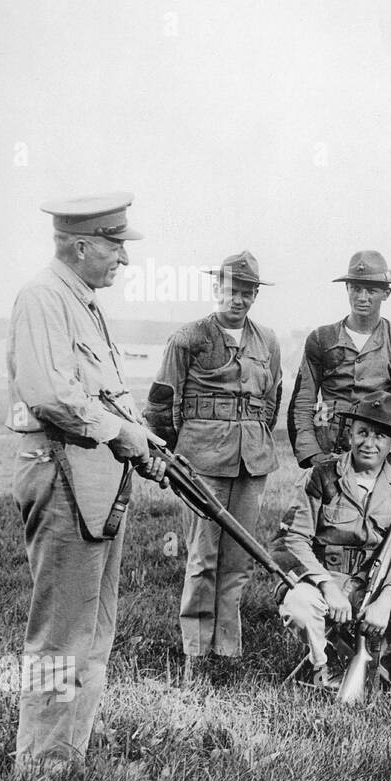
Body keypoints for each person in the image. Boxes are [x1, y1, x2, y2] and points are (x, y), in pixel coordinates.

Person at [6, 192, 166, 771]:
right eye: (115, 245)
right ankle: (43, 768)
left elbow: (100, 392)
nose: (123, 259)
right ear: (81, 245)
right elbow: (50, 395)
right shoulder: (44, 298)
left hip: (93, 479)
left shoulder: (82, 302)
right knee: (61, 632)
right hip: (61, 471)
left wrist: (139, 432)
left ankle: (66, 756)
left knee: (94, 627)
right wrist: (119, 433)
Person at [145, 251, 283, 679]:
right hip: (201, 460)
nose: (237, 300)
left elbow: (271, 402)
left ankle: (227, 650)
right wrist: (169, 459)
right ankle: (195, 653)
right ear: (215, 288)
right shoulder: (189, 338)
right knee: (202, 557)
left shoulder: (269, 342)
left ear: (256, 294)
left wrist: (252, 436)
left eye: (246, 292)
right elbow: (161, 403)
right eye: (230, 290)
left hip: (251, 463)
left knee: (239, 559)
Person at [274, 393, 391, 688]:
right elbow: (290, 541)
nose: (368, 443)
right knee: (297, 604)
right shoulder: (321, 476)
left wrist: (386, 598)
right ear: (350, 433)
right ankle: (325, 665)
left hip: (378, 589)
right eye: (362, 432)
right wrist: (326, 585)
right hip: (328, 583)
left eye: (379, 436)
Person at [288, 250, 391, 472]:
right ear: (347, 289)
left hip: (380, 456)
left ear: (386, 293)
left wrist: (376, 450)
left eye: (371, 290)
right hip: (326, 452)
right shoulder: (321, 339)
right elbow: (303, 401)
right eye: (356, 288)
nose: (362, 297)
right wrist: (313, 456)